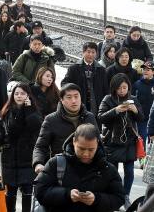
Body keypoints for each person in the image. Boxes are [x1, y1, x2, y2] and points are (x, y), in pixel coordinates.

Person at [34, 124, 126, 212]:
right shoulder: (57, 163)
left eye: (91, 149)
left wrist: (97, 199)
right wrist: (67, 195)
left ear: (97, 144)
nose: (86, 154)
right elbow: (40, 192)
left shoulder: (107, 169)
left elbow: (119, 198)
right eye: (81, 148)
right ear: (74, 142)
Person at [0, 83, 43, 211]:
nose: (19, 96)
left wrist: (27, 110)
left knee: (27, 188)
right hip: (10, 155)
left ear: (28, 95)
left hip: (27, 155)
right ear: (12, 95)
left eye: (23, 93)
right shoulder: (7, 111)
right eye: (16, 93)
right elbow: (1, 129)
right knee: (11, 189)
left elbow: (36, 127)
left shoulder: (33, 111)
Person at [98, 73, 144, 208]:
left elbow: (141, 119)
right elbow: (101, 117)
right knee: (113, 171)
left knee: (129, 171)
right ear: (113, 88)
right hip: (112, 141)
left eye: (125, 88)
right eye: (119, 88)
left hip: (129, 140)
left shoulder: (133, 99)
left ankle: (125, 196)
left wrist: (136, 111)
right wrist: (116, 110)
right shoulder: (108, 99)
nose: (122, 91)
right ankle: (114, 195)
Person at [32, 83, 98, 174]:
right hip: (61, 169)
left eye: (76, 96)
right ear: (62, 99)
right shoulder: (51, 120)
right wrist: (38, 163)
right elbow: (40, 146)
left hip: (87, 168)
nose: (74, 101)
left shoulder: (89, 117)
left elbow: (98, 144)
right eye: (69, 97)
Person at [61, 42, 109, 125]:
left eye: (93, 52)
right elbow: (64, 83)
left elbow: (106, 89)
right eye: (88, 51)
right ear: (83, 52)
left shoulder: (101, 70)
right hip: (80, 104)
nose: (90, 54)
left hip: (96, 105)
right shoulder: (74, 68)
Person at [133, 62, 154, 159]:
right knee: (142, 136)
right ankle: (142, 157)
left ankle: (150, 158)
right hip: (141, 116)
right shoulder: (137, 84)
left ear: (153, 72)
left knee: (151, 136)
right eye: (143, 69)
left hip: (152, 117)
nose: (145, 72)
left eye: (148, 70)